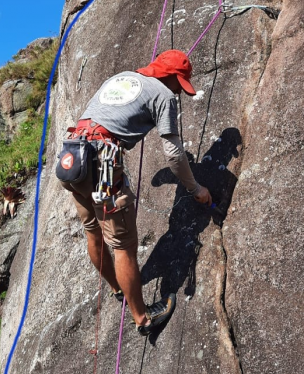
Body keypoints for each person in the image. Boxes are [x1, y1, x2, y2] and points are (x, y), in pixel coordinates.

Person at [59, 49, 212, 335]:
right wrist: (196, 188)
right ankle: (143, 318)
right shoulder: (164, 95)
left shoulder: (121, 78)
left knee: (93, 232)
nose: (179, 92)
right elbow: (175, 156)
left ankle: (118, 288)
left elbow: (157, 178)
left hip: (73, 157)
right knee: (123, 247)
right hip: (101, 164)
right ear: (170, 77)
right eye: (180, 83)